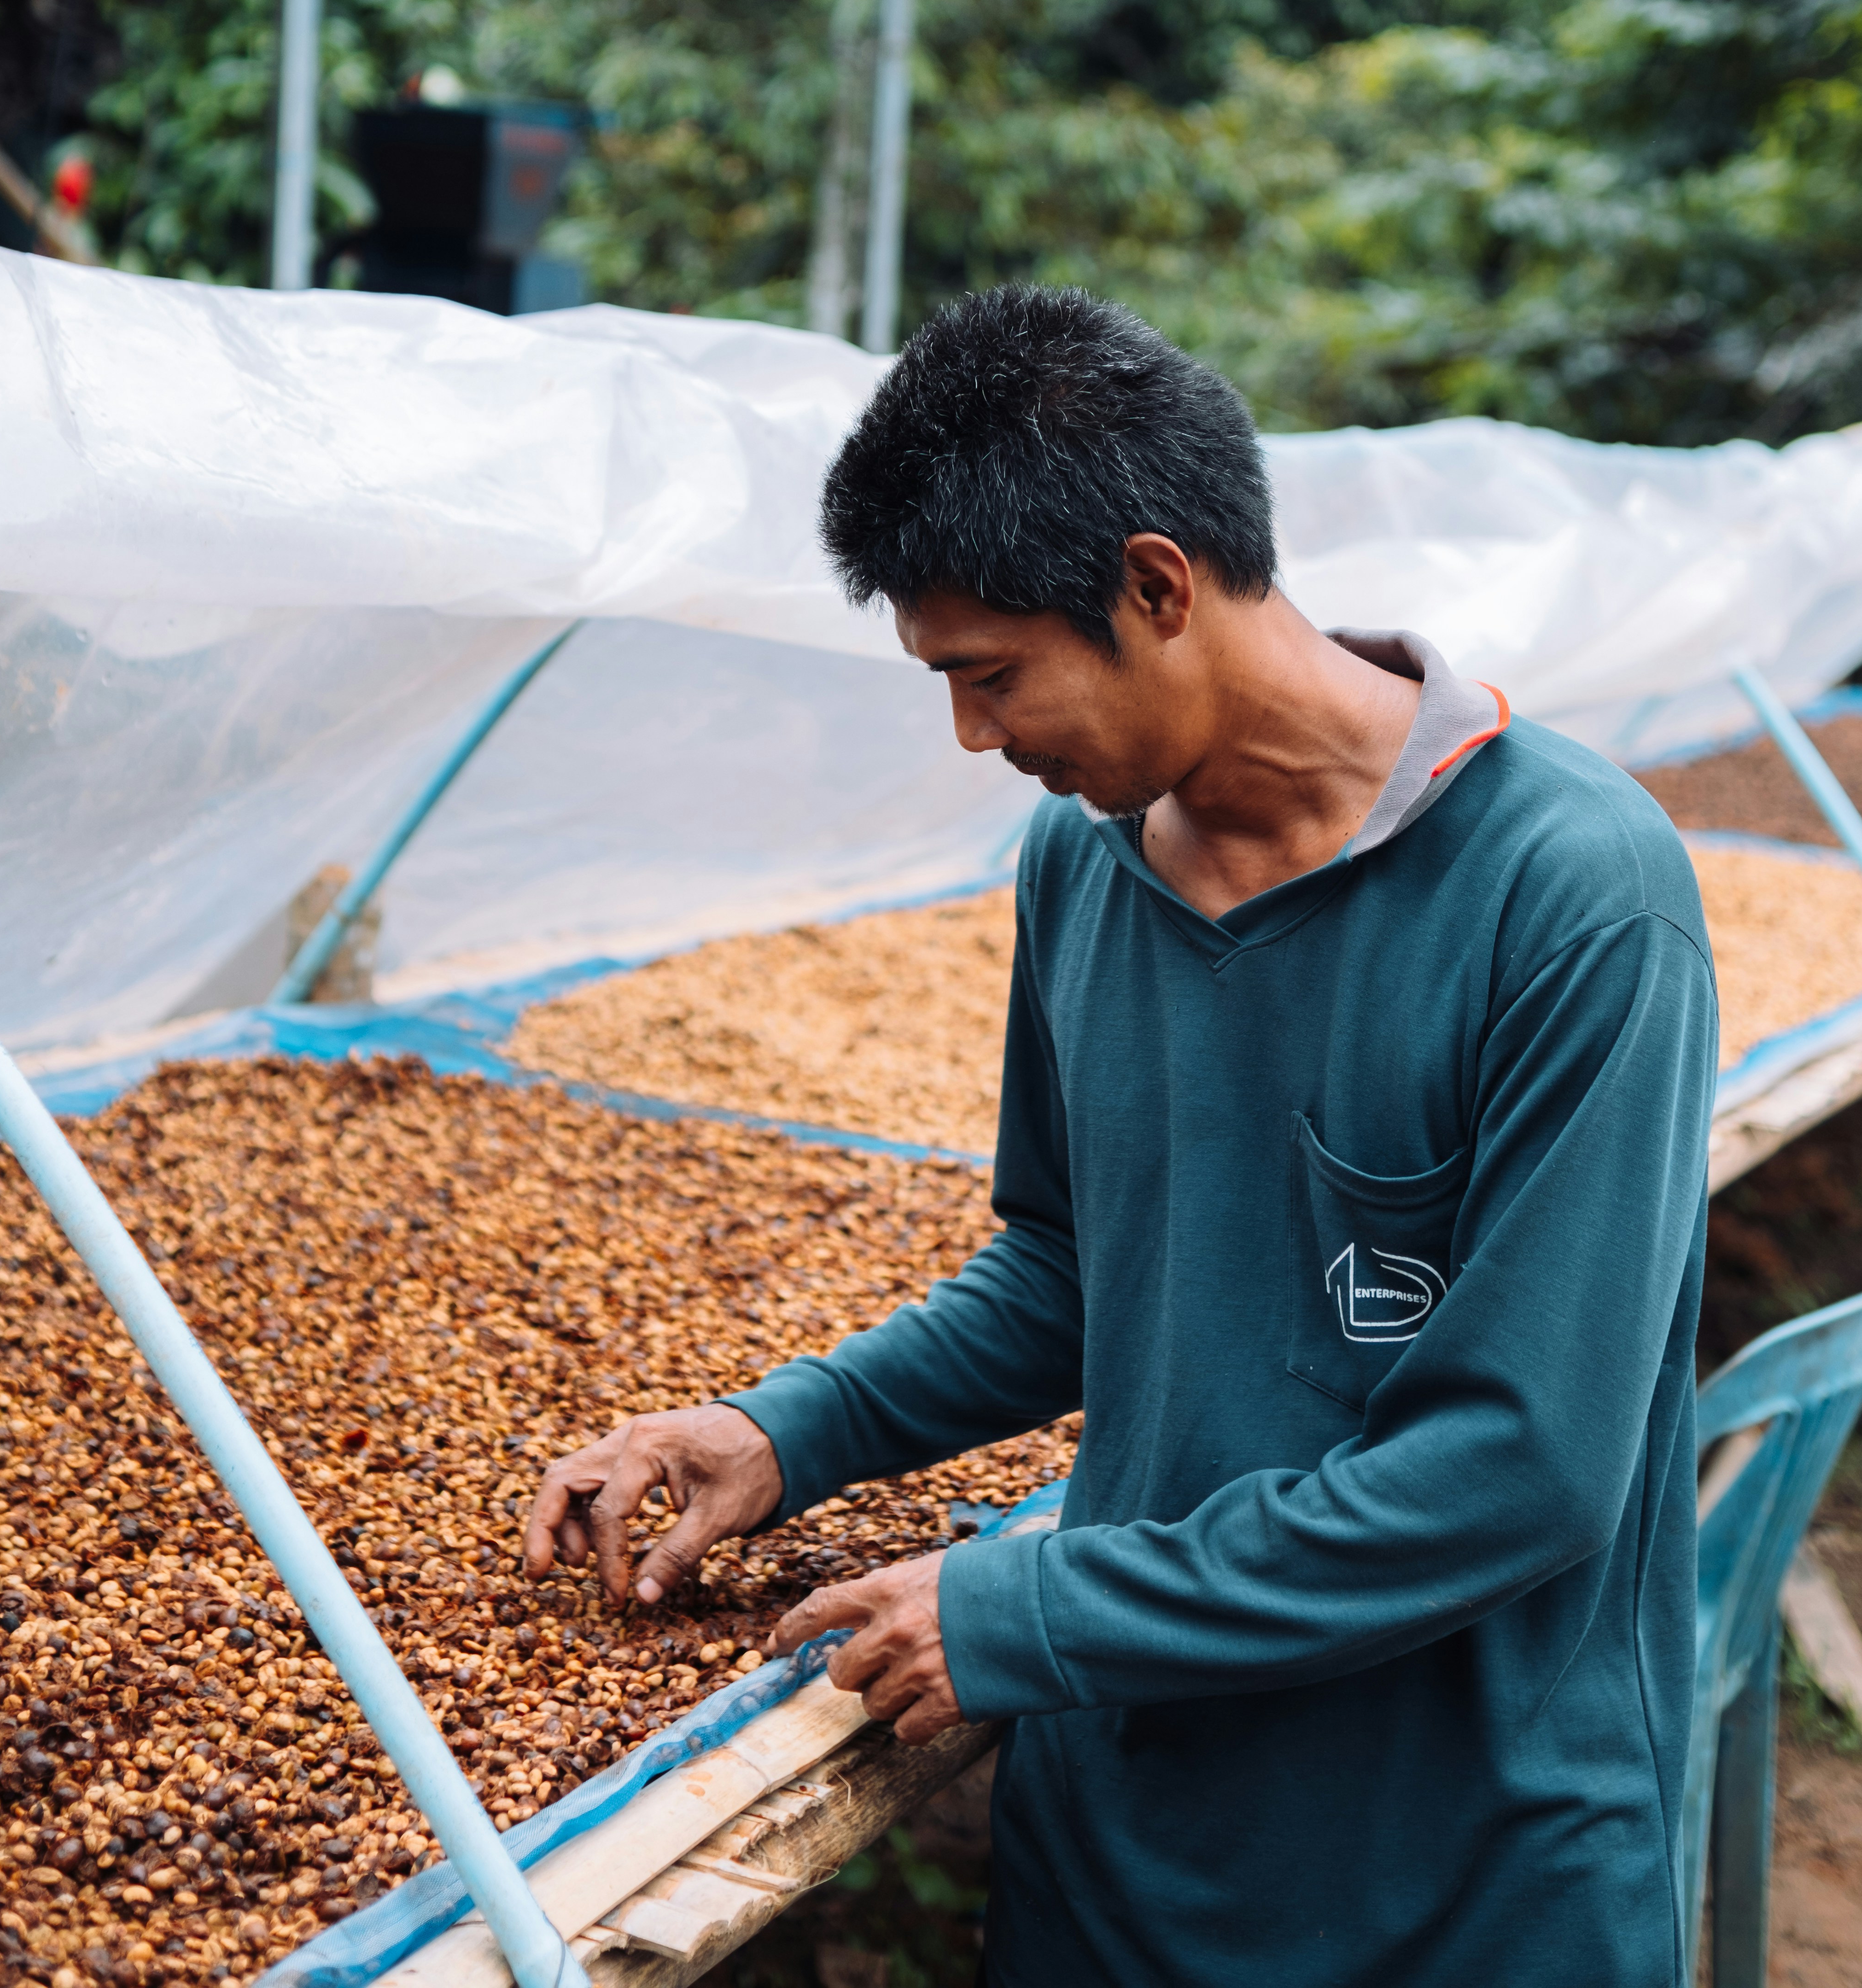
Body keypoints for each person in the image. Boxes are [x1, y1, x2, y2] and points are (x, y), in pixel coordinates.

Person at [525, 285, 1717, 1988]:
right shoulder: (1084, 867)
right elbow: (1077, 1264)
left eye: (993, 675)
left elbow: (1519, 1467)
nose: (976, 735)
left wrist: (1030, 1611)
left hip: (1468, 1861)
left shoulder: (1572, 893)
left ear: (1159, 588)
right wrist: (784, 1433)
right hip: (1129, 1845)